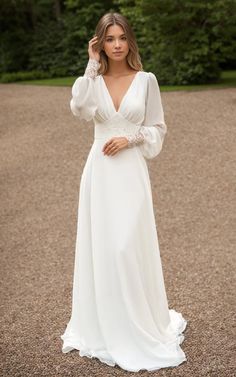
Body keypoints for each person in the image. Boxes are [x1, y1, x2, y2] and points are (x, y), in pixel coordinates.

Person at [60, 11, 187, 373]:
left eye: (122, 38)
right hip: (99, 172)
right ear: (100, 43)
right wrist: (90, 64)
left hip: (130, 171)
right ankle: (105, 325)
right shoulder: (92, 82)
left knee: (126, 246)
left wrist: (130, 138)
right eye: (109, 39)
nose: (117, 45)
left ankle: (138, 325)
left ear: (130, 40)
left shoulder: (146, 80)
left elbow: (158, 128)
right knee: (102, 247)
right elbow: (80, 110)